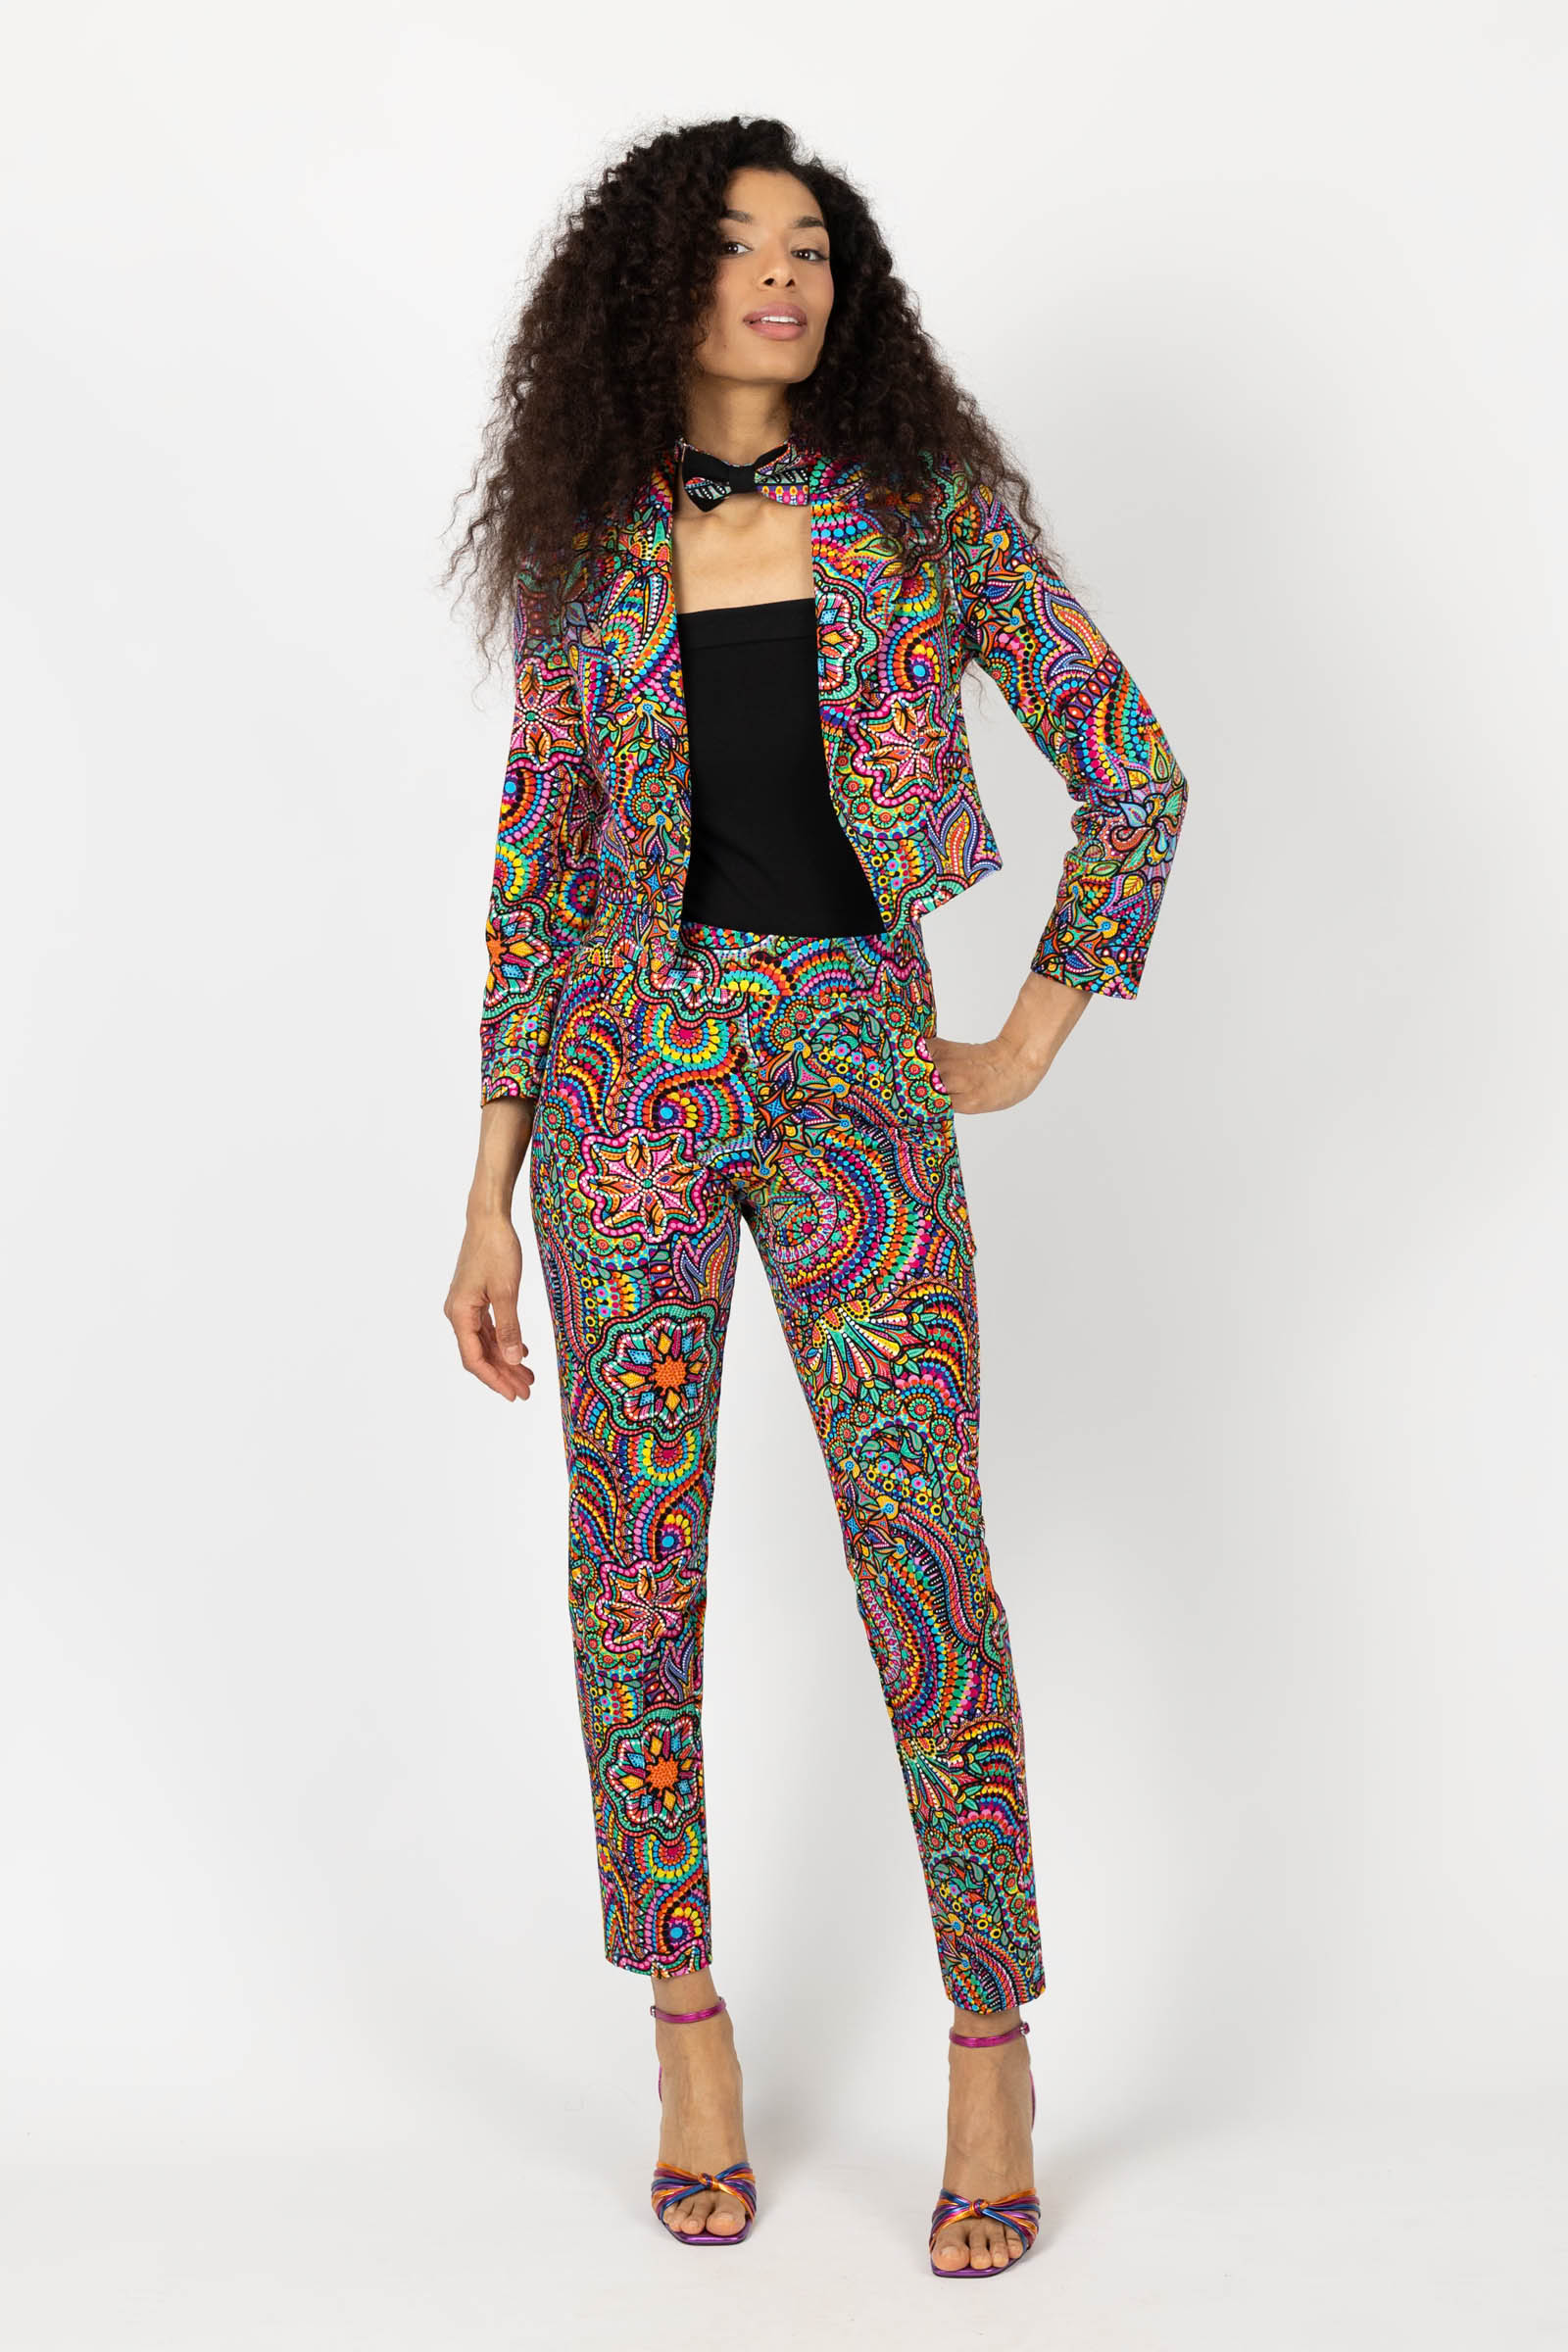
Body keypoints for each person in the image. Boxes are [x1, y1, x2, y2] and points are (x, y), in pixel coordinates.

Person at [442, 115, 1188, 2279]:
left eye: (813, 248)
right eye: (740, 244)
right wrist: (486, 1188)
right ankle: (684, 2029)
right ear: (654, 288)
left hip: (859, 1068)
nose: (783, 276)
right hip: (621, 1093)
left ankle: (990, 2041)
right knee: (635, 1568)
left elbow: (1130, 775)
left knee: (920, 1554)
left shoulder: (924, 514)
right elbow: (532, 871)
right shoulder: (588, 547)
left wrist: (1021, 1040)